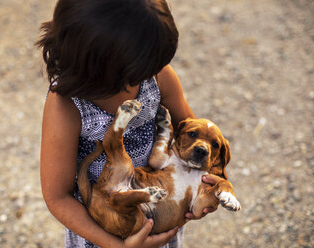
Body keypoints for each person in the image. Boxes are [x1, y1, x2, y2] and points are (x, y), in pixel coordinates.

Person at [38, 0, 221, 247]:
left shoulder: (157, 75)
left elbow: (191, 131)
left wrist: (209, 179)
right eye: (138, 71)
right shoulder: (66, 106)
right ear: (96, 66)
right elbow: (57, 197)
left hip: (158, 214)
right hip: (102, 230)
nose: (150, 74)